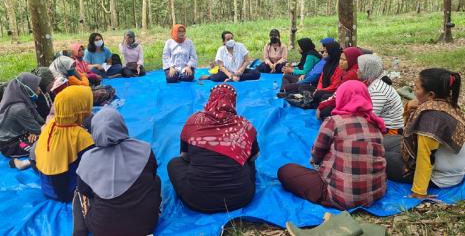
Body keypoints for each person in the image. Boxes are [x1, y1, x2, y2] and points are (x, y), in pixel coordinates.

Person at [278, 80, 387, 209]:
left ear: (341, 97)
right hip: (377, 193)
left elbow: (316, 154)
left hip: (343, 198)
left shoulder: (334, 122)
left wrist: (318, 163)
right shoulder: (376, 123)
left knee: (285, 171)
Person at [168, 84, 259, 213]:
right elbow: (254, 156)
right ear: (233, 101)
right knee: (249, 160)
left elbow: (185, 156)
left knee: (174, 163)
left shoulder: (193, 121)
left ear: (211, 99)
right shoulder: (245, 125)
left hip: (197, 200)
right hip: (241, 198)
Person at [73, 108, 161, 236]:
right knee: (157, 180)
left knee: (78, 193)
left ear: (94, 131)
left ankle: (79, 231)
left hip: (103, 229)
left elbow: (85, 191)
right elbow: (153, 174)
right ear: (122, 125)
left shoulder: (87, 160)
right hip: (146, 225)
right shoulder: (144, 148)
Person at [385, 68, 465, 199]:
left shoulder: (431, 119)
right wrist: (409, 108)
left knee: (372, 155)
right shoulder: (447, 103)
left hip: (439, 177)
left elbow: (426, 157)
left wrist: (419, 191)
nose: (413, 90)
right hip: (447, 167)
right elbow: (410, 134)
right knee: (382, 141)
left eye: (416, 88)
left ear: (431, 95)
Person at [33, 86, 94, 202]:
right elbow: (93, 165)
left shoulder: (50, 126)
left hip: (47, 188)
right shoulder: (81, 136)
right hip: (68, 193)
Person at [318, 54, 405, 133]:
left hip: (389, 130)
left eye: (360, 68)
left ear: (368, 70)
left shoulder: (377, 89)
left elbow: (370, 118)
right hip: (378, 123)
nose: (357, 70)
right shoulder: (368, 81)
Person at [0, 73, 44, 158]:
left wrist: (33, 132)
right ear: (27, 88)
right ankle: (17, 162)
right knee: (44, 147)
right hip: (10, 144)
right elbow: (39, 129)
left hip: (22, 135)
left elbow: (40, 121)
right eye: (36, 87)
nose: (39, 90)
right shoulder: (19, 108)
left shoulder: (25, 101)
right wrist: (35, 131)